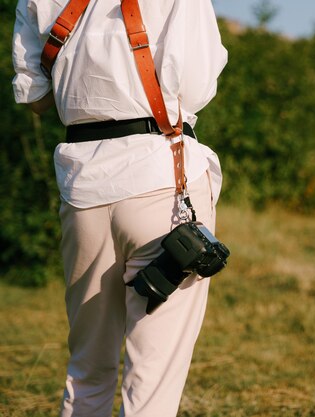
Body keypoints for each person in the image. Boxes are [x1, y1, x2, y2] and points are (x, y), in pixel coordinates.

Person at [12, 0, 228, 416]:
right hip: (163, 178)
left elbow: (36, 99)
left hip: (83, 186)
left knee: (87, 368)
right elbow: (198, 87)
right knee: (153, 376)